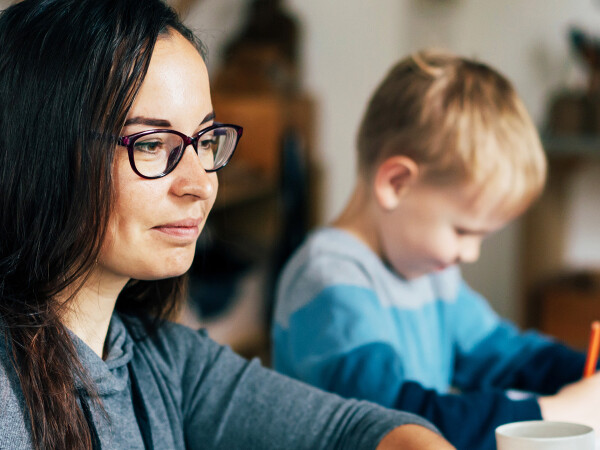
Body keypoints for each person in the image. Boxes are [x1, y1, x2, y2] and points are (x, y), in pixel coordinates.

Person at [0, 1, 455, 449]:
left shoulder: (165, 363)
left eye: (205, 139)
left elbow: (355, 430)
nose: (200, 184)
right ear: (41, 152)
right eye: (153, 143)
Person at [272, 50, 600, 450]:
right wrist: (553, 412)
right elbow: (398, 422)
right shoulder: (327, 281)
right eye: (463, 230)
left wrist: (587, 373)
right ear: (396, 183)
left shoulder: (430, 273)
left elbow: (508, 355)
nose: (470, 253)